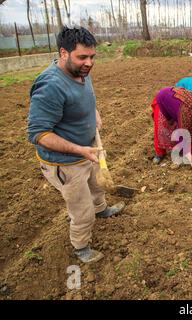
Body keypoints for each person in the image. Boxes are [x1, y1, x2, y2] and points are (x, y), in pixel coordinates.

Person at [27, 26, 124, 264]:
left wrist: (94, 112)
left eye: (92, 57)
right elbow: (39, 133)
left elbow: (85, 98)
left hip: (87, 150)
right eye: (82, 57)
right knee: (82, 210)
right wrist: (80, 150)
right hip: (65, 163)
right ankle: (81, 246)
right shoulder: (50, 86)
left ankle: (101, 209)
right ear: (63, 53)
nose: (89, 63)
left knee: (98, 184)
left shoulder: (81, 71)